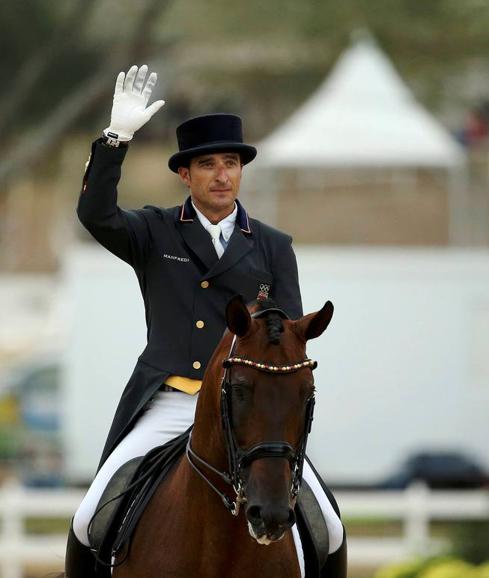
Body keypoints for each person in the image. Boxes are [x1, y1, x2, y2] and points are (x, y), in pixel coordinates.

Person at [65, 65, 347, 578]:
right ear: (185, 175)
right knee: (89, 520)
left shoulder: (273, 246)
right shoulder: (154, 231)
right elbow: (95, 215)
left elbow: (285, 339)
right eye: (209, 164)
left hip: (249, 411)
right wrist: (115, 139)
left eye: (232, 163)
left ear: (241, 171)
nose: (222, 175)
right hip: (172, 401)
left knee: (328, 525)